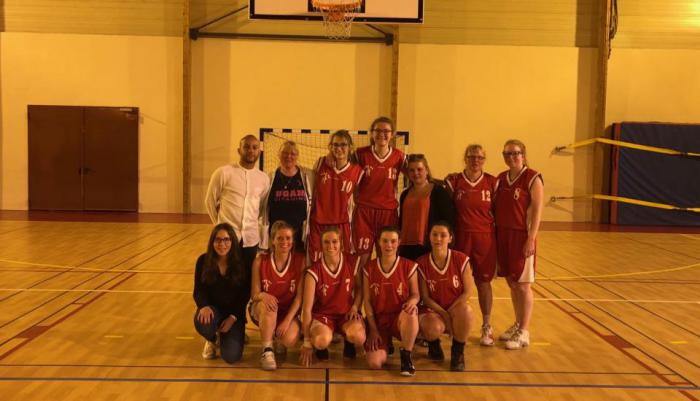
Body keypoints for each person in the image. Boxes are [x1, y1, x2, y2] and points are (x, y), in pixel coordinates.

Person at [444, 144, 498, 346]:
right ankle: (455, 325)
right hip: (461, 238)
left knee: (484, 283)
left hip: (485, 240)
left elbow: (499, 212)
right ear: (465, 158)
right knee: (456, 284)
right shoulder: (454, 181)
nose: (476, 160)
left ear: (484, 160)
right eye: (472, 156)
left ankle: (486, 325)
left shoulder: (493, 182)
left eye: (480, 157)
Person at [494, 139, 544, 350]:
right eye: (507, 154)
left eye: (515, 153)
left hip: (521, 236)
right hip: (503, 235)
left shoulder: (532, 178)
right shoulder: (500, 179)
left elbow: (538, 211)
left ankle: (524, 330)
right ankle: (517, 323)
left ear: (523, 154)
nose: (511, 157)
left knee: (523, 285)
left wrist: (531, 238)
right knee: (512, 283)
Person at [205, 135, 270, 278]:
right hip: (227, 238)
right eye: (246, 147)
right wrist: (220, 226)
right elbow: (209, 201)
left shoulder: (264, 179)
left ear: (259, 152)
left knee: (247, 277)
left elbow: (262, 207)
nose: (251, 150)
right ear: (239, 150)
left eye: (254, 147)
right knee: (225, 276)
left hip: (251, 238)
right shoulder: (223, 173)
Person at [299, 226, 366, 366]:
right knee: (321, 340)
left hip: (346, 313)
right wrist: (306, 342)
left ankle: (348, 342)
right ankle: (321, 347)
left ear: (341, 243)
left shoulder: (351, 262)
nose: (331, 246)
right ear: (321, 245)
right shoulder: (314, 271)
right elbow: (306, 309)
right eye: (326, 242)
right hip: (323, 315)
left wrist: (355, 307)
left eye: (334, 241)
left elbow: (360, 289)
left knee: (359, 337)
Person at [416, 221, 474, 371]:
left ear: (450, 238)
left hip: (455, 306)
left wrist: (450, 311)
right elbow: (426, 298)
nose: (438, 239)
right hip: (433, 309)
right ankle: (434, 345)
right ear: (429, 237)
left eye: (443, 235)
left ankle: (458, 352)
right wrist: (444, 314)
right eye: (434, 235)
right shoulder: (421, 263)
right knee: (432, 328)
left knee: (466, 311)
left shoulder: (461, 259)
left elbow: (468, 291)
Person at [363, 226, 419, 376]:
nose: (389, 245)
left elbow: (416, 294)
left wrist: (412, 301)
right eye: (385, 241)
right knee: (374, 363)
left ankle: (406, 356)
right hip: (379, 321)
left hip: (399, 318)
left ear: (399, 242)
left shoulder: (408, 266)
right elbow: (367, 301)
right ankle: (386, 343)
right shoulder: (369, 267)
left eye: (393, 241)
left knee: (412, 312)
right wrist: (373, 329)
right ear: (379, 242)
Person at [250, 221, 306, 370]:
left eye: (288, 238)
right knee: (270, 305)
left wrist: (287, 321)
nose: (284, 242)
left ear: (293, 241)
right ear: (272, 241)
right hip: (264, 309)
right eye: (280, 238)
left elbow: (299, 298)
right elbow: (254, 294)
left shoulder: (300, 261)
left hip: (288, 311)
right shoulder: (260, 261)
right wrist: (263, 296)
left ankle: (275, 336)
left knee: (289, 340)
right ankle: (267, 350)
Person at [354, 117, 406, 270]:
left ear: (392, 134)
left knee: (386, 257)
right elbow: (343, 166)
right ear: (371, 133)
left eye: (386, 131)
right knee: (362, 259)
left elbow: (418, 174)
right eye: (377, 130)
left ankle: (384, 285)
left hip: (388, 212)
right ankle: (362, 286)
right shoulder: (360, 154)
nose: (382, 134)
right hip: (364, 212)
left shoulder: (400, 157)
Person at [193, 223, 249, 363]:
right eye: (217, 240)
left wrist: (233, 317)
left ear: (232, 241)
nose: (222, 244)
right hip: (213, 312)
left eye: (226, 239)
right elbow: (198, 290)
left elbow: (244, 295)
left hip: (234, 315)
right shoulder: (203, 261)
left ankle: (227, 336)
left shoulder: (242, 262)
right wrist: (203, 306)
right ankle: (212, 339)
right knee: (203, 322)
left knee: (231, 357)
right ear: (212, 242)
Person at [307, 130, 364, 262]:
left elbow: (357, 199)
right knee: (317, 263)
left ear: (350, 147)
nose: (339, 148)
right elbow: (313, 189)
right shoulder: (321, 163)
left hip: (341, 224)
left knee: (342, 262)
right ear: (331, 147)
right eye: (335, 145)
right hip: (318, 222)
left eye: (343, 145)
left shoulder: (357, 171)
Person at [398, 154, 455, 261]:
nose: (415, 173)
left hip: (428, 245)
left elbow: (448, 220)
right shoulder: (404, 194)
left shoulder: (439, 191)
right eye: (411, 170)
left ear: (427, 170)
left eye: (419, 169)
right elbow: (401, 221)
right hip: (406, 246)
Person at [262, 141, 314, 252]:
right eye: (285, 153)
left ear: (297, 156)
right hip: (276, 237)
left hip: (299, 237)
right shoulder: (269, 178)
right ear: (278, 154)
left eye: (293, 154)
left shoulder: (308, 177)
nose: (288, 156)